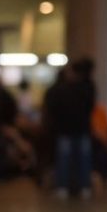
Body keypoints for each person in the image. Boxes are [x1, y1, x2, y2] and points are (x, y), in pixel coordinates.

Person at [42, 62, 96, 199]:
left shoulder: (62, 89)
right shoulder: (86, 88)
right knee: (77, 160)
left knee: (68, 160)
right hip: (76, 129)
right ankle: (79, 187)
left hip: (69, 130)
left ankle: (65, 187)